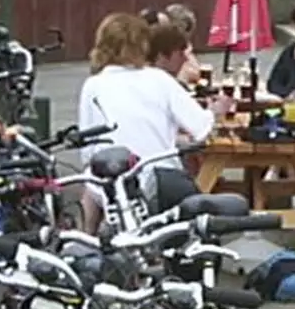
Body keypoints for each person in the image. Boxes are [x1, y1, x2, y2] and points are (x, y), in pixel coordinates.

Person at [77, 13, 228, 226]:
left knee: (90, 186)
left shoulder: (92, 85)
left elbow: (87, 150)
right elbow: (201, 129)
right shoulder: (159, 79)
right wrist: (216, 111)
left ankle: (83, 241)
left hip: (112, 186)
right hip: (161, 181)